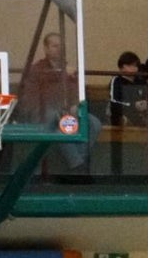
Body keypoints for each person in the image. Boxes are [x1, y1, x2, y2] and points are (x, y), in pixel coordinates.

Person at [18, 31, 102, 172]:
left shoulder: (70, 71)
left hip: (66, 112)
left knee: (94, 123)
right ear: (46, 48)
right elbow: (34, 95)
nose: (59, 49)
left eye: (61, 46)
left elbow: (76, 92)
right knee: (59, 123)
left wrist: (76, 105)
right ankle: (78, 167)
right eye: (55, 46)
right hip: (42, 113)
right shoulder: (37, 69)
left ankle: (77, 161)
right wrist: (62, 74)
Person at [108, 51, 148, 127]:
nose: (134, 68)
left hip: (140, 113)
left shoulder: (140, 81)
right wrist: (133, 105)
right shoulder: (116, 80)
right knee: (122, 116)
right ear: (122, 67)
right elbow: (114, 102)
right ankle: (126, 122)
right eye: (130, 65)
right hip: (122, 111)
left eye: (135, 66)